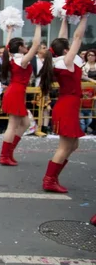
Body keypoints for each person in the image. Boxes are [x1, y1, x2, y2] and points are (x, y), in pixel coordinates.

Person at [38, 15, 88, 194]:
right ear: (67, 50)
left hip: (68, 105)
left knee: (72, 145)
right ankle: (49, 179)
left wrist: (65, 18)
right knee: (65, 146)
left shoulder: (60, 61)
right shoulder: (66, 62)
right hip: (67, 106)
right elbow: (77, 38)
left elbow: (64, 38)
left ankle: (53, 177)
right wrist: (84, 16)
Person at [0, 25, 41, 165]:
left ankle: (9, 152)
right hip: (16, 92)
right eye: (24, 44)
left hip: (16, 91)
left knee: (26, 123)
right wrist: (38, 24)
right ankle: (4, 156)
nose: (26, 46)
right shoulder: (22, 60)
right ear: (21, 47)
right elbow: (36, 45)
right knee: (12, 126)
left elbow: (7, 46)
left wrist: (10, 31)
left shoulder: (13, 57)